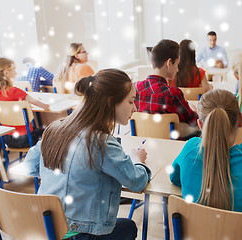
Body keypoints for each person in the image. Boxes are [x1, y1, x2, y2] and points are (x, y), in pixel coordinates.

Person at [16, 69, 151, 240]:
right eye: (131, 102)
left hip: (47, 230)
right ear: (110, 102)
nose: (135, 107)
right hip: (79, 235)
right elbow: (136, 182)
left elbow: (29, 167)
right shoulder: (101, 142)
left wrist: (66, 175)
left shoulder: (54, 130)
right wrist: (138, 161)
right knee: (129, 227)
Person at [135, 39, 198, 128]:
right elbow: (194, 121)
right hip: (171, 141)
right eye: (177, 64)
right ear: (169, 63)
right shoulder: (173, 94)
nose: (177, 69)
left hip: (141, 140)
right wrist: (194, 111)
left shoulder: (135, 88)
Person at [0, 57, 49, 148]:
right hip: (26, 139)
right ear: (6, 73)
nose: (16, 72)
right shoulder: (16, 92)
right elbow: (43, 106)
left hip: (7, 140)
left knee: (37, 130)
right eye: (14, 69)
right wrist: (46, 105)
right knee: (49, 132)